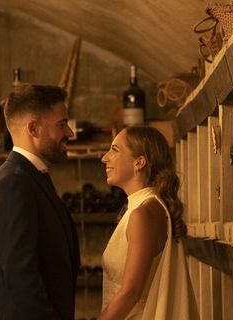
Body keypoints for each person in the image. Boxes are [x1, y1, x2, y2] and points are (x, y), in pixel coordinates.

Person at [0, 84, 80, 320]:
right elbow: (21, 276)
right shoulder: (13, 183)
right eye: (62, 124)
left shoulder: (31, 176)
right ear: (33, 129)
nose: (70, 132)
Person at [99, 126, 199, 320]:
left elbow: (131, 292)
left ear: (139, 162)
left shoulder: (143, 213)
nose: (105, 157)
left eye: (115, 150)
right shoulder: (144, 207)